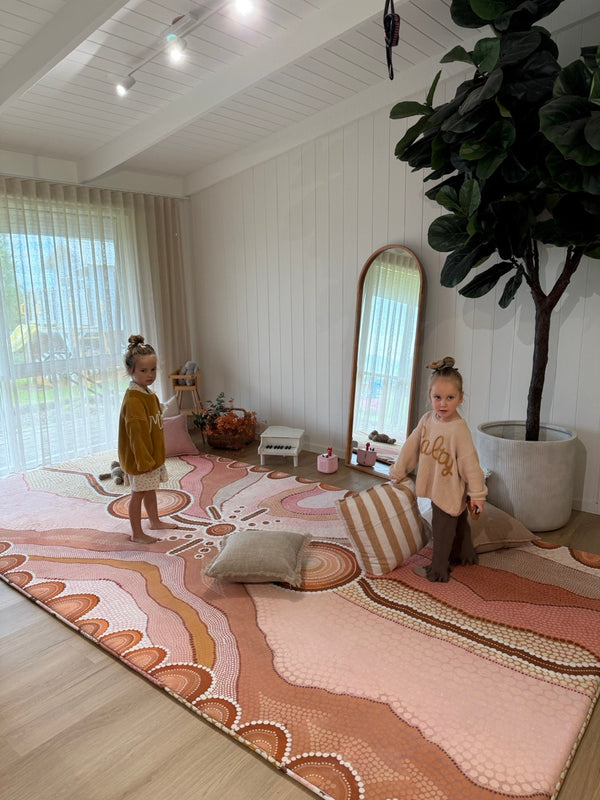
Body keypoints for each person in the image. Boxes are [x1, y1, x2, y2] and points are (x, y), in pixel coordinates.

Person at [390, 356, 486, 582]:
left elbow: (470, 464)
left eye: (450, 398)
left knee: (443, 529)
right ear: (430, 397)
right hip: (435, 483)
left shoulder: (459, 430)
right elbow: (411, 448)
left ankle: (438, 569)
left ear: (461, 398)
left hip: (450, 488)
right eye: (438, 397)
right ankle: (464, 555)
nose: (443, 404)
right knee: (459, 523)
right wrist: (398, 470)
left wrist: (477, 494)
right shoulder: (427, 421)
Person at [118, 334, 177, 542]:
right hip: (141, 460)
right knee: (139, 494)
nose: (150, 374)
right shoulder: (134, 399)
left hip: (151, 456)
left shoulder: (147, 392)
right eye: (143, 371)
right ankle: (136, 533)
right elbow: (136, 435)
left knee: (150, 490)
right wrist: (144, 462)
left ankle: (154, 521)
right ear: (130, 371)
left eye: (153, 369)